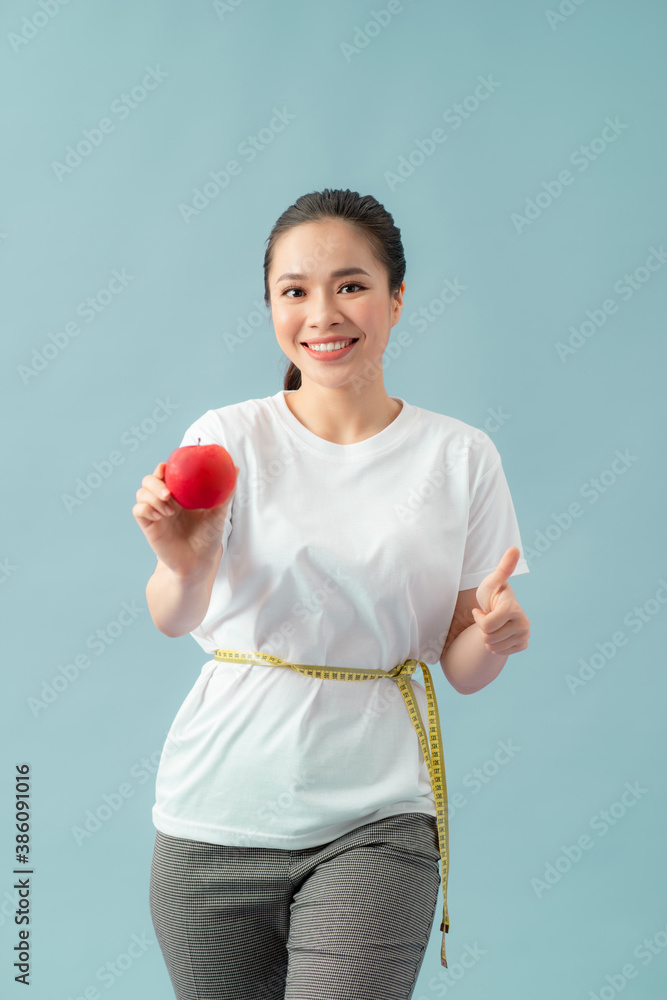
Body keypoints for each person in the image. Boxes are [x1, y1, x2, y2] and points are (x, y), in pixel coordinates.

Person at [132, 188, 531, 1000]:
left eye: (350, 285)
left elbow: (459, 667)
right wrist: (181, 564)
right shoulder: (227, 436)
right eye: (294, 291)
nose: (323, 313)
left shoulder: (459, 456)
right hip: (211, 817)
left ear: (396, 299)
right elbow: (175, 619)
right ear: (272, 305)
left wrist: (490, 635)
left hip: (376, 819)